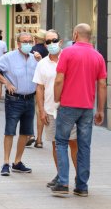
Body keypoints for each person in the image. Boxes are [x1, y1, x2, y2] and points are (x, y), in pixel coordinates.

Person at [51, 23, 107, 197]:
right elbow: (103, 85)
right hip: (87, 108)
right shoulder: (98, 56)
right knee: (84, 145)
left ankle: (63, 182)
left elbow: (59, 79)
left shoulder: (67, 52)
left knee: (61, 142)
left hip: (68, 105)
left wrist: (57, 98)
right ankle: (82, 186)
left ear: (75, 34)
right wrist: (100, 110)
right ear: (90, 36)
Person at [0, 32, 38, 176]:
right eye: (24, 41)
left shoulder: (35, 58)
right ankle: (5, 163)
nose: (27, 44)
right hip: (14, 100)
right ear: (18, 43)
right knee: (10, 131)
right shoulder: (9, 57)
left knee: (26, 132)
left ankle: (17, 162)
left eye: (29, 41)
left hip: (30, 99)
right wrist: (6, 82)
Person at [32, 29, 78, 188]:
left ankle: (79, 178)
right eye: (47, 41)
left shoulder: (70, 59)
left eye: (54, 40)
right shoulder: (42, 64)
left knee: (73, 143)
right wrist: (41, 110)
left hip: (69, 110)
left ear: (60, 41)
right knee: (55, 145)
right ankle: (61, 176)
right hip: (50, 110)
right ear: (44, 44)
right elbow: (39, 88)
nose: (51, 44)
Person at [26, 29, 49, 149]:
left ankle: (30, 135)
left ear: (35, 39)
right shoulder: (50, 50)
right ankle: (39, 140)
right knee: (41, 111)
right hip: (47, 85)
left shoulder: (32, 50)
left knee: (30, 111)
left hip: (34, 84)